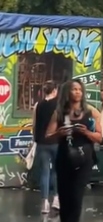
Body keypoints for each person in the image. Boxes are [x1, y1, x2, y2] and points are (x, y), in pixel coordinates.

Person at [44, 79, 102, 222]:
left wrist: (87, 132)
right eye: (73, 89)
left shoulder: (91, 111)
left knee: (76, 198)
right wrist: (58, 133)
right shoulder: (59, 113)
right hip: (64, 158)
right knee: (65, 199)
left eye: (79, 89)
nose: (77, 92)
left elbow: (100, 137)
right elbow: (47, 136)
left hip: (84, 159)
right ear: (67, 93)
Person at [32, 81, 58, 214]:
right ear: (55, 90)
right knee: (56, 171)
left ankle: (44, 203)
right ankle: (56, 199)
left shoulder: (38, 105)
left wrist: (35, 140)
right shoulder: (59, 105)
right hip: (56, 142)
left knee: (44, 172)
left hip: (42, 143)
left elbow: (34, 125)